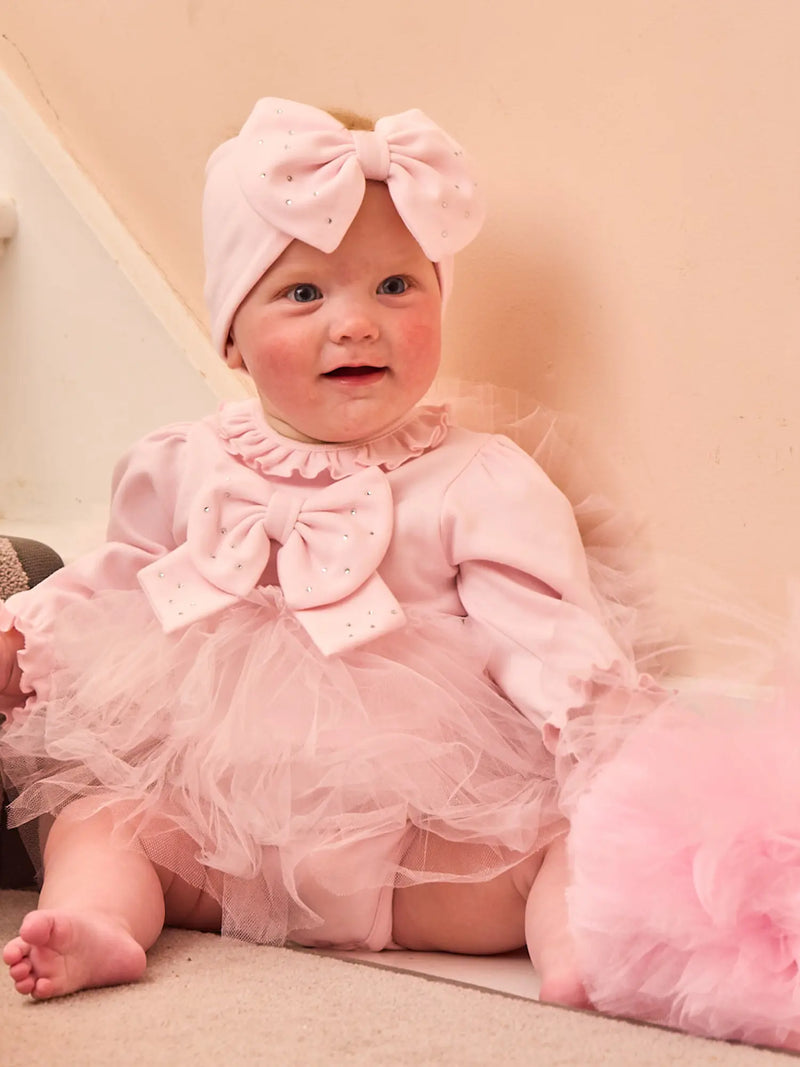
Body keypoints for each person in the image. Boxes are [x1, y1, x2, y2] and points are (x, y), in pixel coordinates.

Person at [0, 97, 652, 1006]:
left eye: (396, 286)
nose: (356, 323)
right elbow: (120, 578)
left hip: (415, 849)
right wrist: (27, 634)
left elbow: (541, 630)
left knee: (559, 841)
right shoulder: (185, 461)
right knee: (98, 819)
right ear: (231, 333)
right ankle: (102, 924)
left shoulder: (477, 480)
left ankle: (576, 950)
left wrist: (595, 737)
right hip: (216, 845)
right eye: (305, 293)